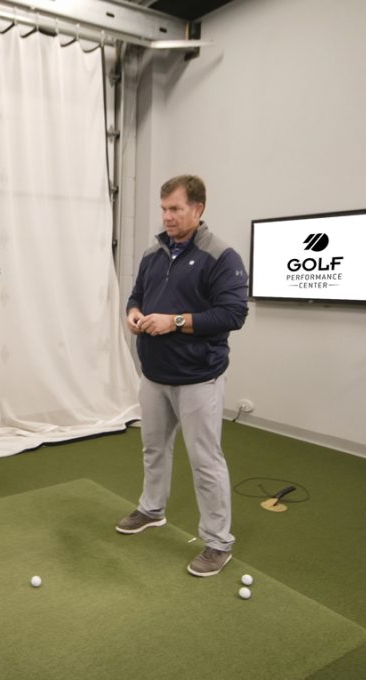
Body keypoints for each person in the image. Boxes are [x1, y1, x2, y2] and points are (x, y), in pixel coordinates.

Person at [116, 175, 248, 577]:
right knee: (153, 449)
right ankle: (152, 509)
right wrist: (134, 314)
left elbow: (232, 315)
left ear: (198, 209)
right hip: (155, 375)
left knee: (205, 461)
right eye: (164, 209)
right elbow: (136, 296)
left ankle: (218, 542)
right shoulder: (153, 253)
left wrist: (173, 321)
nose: (167, 216)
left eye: (175, 209)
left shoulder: (222, 256)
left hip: (198, 378)